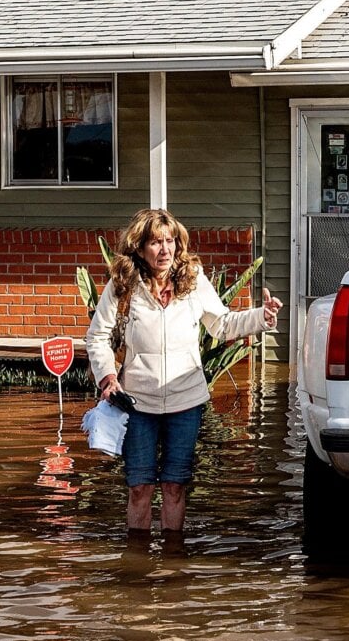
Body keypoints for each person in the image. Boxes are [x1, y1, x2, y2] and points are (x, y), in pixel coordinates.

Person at [84, 208, 281, 539]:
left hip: (185, 404)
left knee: (175, 486)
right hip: (137, 404)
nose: (165, 250)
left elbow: (223, 324)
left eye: (170, 241)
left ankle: (173, 563)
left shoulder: (193, 280)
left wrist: (264, 317)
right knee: (139, 488)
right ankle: (138, 565)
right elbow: (97, 337)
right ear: (139, 246)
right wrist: (108, 378)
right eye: (155, 242)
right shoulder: (123, 286)